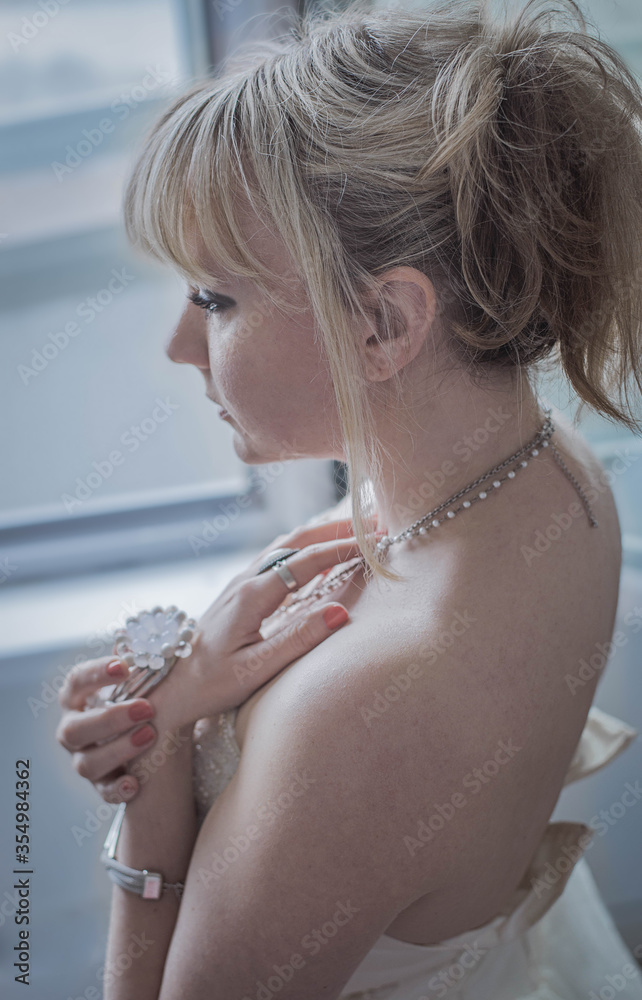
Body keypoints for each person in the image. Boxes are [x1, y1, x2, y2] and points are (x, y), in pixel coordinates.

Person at [56, 0, 642, 996]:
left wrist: (159, 774)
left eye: (216, 299)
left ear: (383, 323)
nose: (177, 347)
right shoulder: (551, 472)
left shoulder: (360, 716)